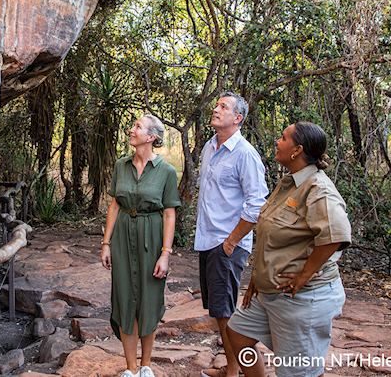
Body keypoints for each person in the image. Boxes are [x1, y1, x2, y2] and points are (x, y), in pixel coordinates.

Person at [227, 121, 352, 377]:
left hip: (302, 298)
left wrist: (304, 275)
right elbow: (272, 234)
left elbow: (334, 236)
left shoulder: (319, 189)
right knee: (238, 334)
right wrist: (259, 279)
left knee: (297, 372)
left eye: (283, 138)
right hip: (268, 292)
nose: (277, 141)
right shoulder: (288, 184)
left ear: (297, 150)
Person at [101, 114, 181, 377]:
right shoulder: (121, 166)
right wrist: (106, 243)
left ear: (151, 137)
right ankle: (130, 368)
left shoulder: (167, 172)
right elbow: (114, 205)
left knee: (149, 298)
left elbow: (170, 214)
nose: (130, 129)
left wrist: (165, 254)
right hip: (123, 234)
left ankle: (146, 366)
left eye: (137, 127)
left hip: (152, 235)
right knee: (124, 298)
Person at [196, 92, 269, 377]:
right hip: (208, 239)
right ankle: (232, 366)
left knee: (229, 315)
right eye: (216, 105)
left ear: (237, 118)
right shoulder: (209, 147)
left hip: (227, 243)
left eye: (223, 107)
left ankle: (236, 372)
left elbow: (256, 203)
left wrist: (231, 241)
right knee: (220, 311)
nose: (216, 109)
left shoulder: (245, 154)